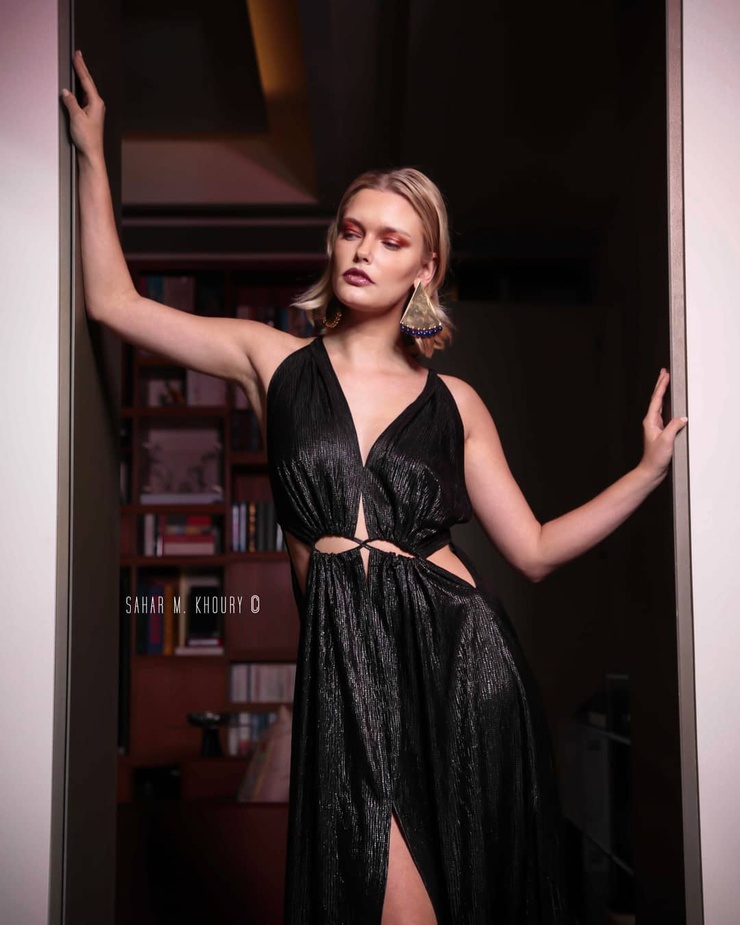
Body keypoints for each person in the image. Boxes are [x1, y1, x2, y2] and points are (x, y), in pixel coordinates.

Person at [62, 50, 686, 925]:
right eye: (353, 230)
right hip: (344, 670)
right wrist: (92, 152)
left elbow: (536, 549)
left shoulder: (455, 402)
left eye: (392, 241)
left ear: (424, 269)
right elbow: (113, 304)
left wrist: (646, 472)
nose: (364, 250)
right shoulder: (272, 360)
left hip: (462, 667)